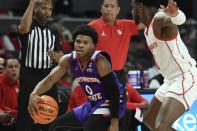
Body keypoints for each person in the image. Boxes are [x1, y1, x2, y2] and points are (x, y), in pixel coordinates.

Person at [28, 25, 125, 131]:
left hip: (112, 101)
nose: (81, 45)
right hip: (92, 103)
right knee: (56, 126)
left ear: (93, 46)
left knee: (90, 127)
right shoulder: (68, 60)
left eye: (85, 43)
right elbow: (50, 79)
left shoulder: (100, 62)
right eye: (78, 41)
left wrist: (114, 123)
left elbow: (114, 92)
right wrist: (34, 93)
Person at [132, 0, 197, 130]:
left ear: (140, 6)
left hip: (184, 76)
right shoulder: (146, 30)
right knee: (149, 120)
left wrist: (175, 14)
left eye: (133, 8)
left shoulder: (159, 19)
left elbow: (179, 19)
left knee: (161, 126)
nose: (132, 12)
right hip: (169, 80)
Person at [16, 0, 63, 131]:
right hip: (28, 77)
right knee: (25, 117)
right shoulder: (29, 26)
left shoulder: (54, 30)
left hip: (48, 78)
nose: (47, 12)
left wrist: (56, 56)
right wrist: (32, 3)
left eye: (50, 9)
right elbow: (23, 28)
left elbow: (61, 55)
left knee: (49, 115)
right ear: (36, 9)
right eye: (44, 8)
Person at [88, 0, 145, 85]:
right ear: (101, 8)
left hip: (119, 75)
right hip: (97, 75)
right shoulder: (92, 27)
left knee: (121, 98)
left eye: (112, 6)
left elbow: (146, 24)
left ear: (118, 10)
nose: (108, 9)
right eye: (106, 6)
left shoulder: (126, 25)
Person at [0, 58, 20, 131]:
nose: (14, 69)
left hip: (14, 120)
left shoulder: (19, 85)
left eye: (16, 66)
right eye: (10, 67)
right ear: (5, 69)